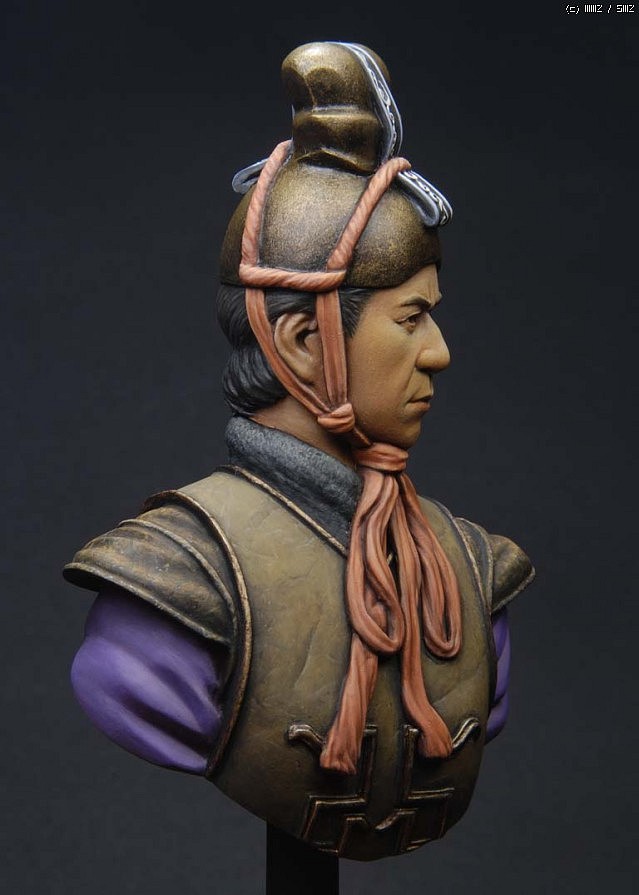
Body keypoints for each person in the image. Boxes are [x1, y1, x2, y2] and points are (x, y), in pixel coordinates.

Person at [65, 42, 534, 862]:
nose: (439, 351)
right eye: (410, 318)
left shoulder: (465, 570)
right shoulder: (176, 584)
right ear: (302, 343)